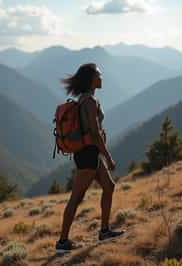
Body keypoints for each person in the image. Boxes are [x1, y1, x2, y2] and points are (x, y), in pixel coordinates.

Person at [56, 63, 125, 253]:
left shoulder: (85, 99)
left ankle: (104, 231)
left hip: (89, 153)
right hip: (89, 154)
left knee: (109, 186)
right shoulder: (90, 102)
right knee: (76, 197)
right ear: (91, 79)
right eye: (99, 75)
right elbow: (94, 133)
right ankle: (62, 242)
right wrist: (108, 156)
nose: (102, 78)